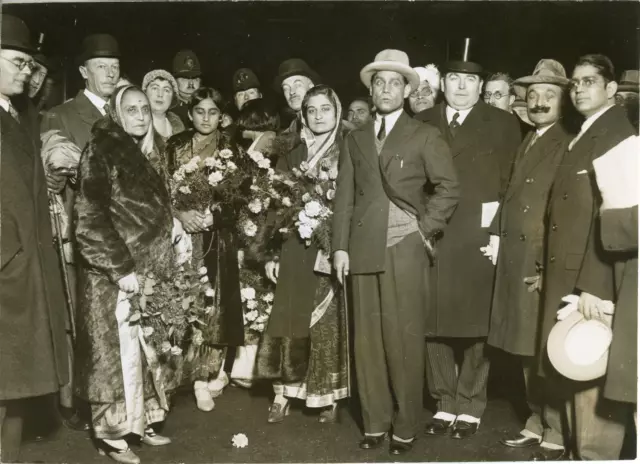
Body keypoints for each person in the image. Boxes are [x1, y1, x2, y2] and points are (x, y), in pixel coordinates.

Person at [333, 49, 460, 454]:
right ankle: (374, 423)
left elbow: (448, 188)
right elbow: (344, 198)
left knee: (402, 340)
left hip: (404, 249)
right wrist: (339, 247)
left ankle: (405, 426)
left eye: (395, 83)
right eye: (379, 83)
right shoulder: (354, 138)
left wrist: (425, 229)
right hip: (361, 248)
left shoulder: (425, 135)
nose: (386, 90)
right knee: (367, 342)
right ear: (370, 91)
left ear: (408, 90)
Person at [416, 54, 521, 439]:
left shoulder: (505, 123)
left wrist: (497, 230)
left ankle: (472, 404)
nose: (461, 86)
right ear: (443, 84)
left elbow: (513, 183)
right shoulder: (423, 121)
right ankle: (444, 401)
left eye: (469, 80)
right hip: (432, 234)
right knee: (433, 323)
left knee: (479, 325)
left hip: (479, 236)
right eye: (454, 79)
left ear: (481, 87)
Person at [536, 54, 635, 461]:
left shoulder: (616, 134)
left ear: (612, 89)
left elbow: (614, 216)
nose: (579, 89)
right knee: (575, 376)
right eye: (574, 83)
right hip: (570, 272)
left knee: (592, 373)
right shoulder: (586, 131)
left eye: (589, 81)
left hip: (593, 278)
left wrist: (593, 285)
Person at [73, 85, 173, 464]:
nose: (140, 115)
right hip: (114, 277)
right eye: (130, 109)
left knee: (146, 348)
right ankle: (113, 434)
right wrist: (121, 268)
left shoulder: (149, 151)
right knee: (115, 355)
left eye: (145, 109)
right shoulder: (101, 150)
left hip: (150, 271)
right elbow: (88, 218)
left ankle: (142, 421)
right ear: (116, 114)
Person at [484, 59, 572, 459]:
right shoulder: (531, 137)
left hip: (539, 260)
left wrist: (545, 266)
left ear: (563, 100)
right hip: (517, 257)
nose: (538, 101)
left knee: (545, 348)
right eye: (532, 95)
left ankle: (556, 428)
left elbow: (565, 211)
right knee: (525, 346)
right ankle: (536, 422)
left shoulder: (567, 139)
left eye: (548, 95)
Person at [40, 32, 121, 433]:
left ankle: (117, 397)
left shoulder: (126, 110)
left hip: (123, 232)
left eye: (115, 67)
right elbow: (53, 182)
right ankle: (77, 401)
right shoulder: (61, 116)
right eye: (101, 67)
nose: (109, 73)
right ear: (83, 72)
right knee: (82, 314)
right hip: (82, 232)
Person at [256, 85, 350, 425]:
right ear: (302, 115)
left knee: (327, 321)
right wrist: (270, 253)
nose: (319, 115)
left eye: (326, 108)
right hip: (293, 244)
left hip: (329, 244)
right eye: (312, 110)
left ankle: (328, 396)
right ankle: (283, 393)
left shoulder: (348, 146)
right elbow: (273, 203)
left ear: (336, 111)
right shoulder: (290, 150)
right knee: (288, 316)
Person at [0, 15, 69, 463]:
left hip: (20, 269)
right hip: (8, 269)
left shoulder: (14, 115)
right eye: (17, 62)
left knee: (13, 387)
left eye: (28, 65)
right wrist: (9, 253)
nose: (26, 71)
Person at [165, 87, 245, 412]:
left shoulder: (232, 150)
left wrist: (213, 216)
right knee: (179, 299)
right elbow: (160, 189)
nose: (206, 118)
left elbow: (239, 199)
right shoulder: (173, 147)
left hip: (216, 239)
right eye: (200, 111)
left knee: (211, 304)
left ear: (222, 116)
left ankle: (203, 377)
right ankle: (171, 378)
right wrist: (180, 214)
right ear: (190, 113)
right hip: (180, 237)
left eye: (213, 112)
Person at [273, 58, 320, 137]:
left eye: (298, 85)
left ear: (311, 87)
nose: (292, 92)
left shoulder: (332, 127)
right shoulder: (287, 134)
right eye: (286, 88)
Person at [142, 69, 185, 141]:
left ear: (172, 98)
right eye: (155, 88)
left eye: (166, 90)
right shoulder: (136, 125)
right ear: (144, 92)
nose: (160, 94)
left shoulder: (179, 126)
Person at [171, 49, 202, 127]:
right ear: (174, 81)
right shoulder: (167, 110)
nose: (191, 84)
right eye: (185, 78)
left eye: (195, 79)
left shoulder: (208, 108)